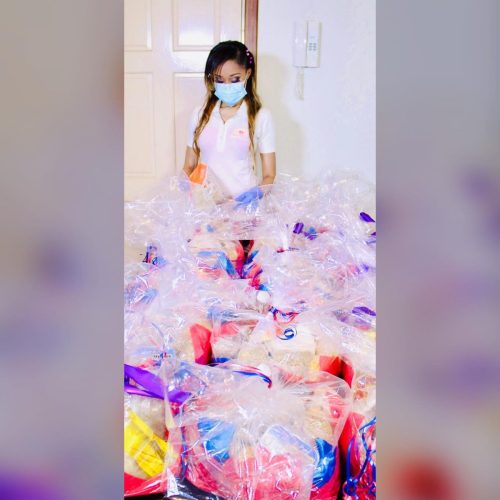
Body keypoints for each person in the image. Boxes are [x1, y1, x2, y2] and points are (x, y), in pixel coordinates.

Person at [182, 40, 276, 206]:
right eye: (219, 80)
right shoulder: (199, 115)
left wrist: (257, 193)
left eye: (234, 79)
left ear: (248, 74)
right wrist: (185, 185)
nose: (226, 85)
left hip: (244, 205)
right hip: (207, 206)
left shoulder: (260, 116)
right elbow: (189, 166)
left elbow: (269, 175)